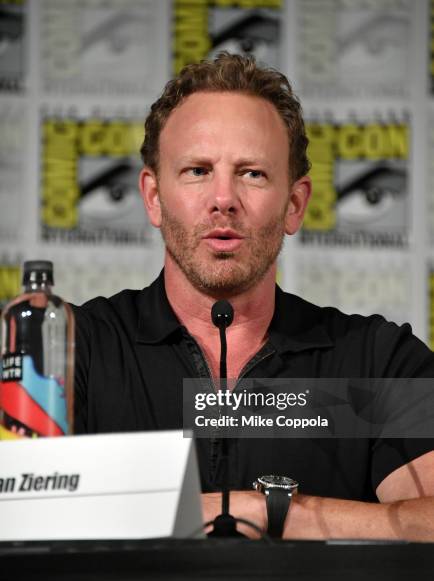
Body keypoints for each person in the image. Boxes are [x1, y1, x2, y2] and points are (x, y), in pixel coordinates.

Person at [74, 52, 434, 540]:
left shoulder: (376, 360)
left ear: (294, 204)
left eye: (252, 173)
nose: (224, 199)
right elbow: (22, 513)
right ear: (154, 198)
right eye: (198, 170)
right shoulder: (75, 351)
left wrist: (273, 511)